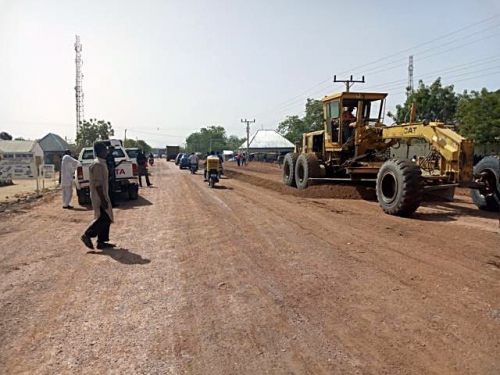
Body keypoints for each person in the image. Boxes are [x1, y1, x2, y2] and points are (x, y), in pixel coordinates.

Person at [81, 142, 115, 250]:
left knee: (107, 218)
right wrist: (103, 199)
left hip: (103, 194)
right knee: (103, 218)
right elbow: (98, 184)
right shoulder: (97, 164)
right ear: (100, 151)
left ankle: (102, 241)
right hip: (99, 196)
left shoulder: (101, 162)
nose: (106, 151)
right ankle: (87, 234)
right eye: (105, 150)